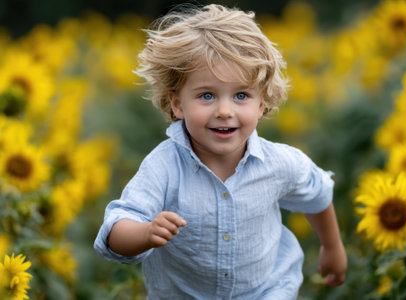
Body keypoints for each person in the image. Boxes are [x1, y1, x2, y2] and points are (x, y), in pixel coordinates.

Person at [94, 4, 347, 299]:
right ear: (177, 104)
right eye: (207, 95)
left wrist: (332, 247)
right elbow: (115, 230)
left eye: (241, 95)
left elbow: (317, 193)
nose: (224, 111)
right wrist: (145, 232)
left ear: (261, 104)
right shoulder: (163, 167)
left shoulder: (280, 162)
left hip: (266, 290)